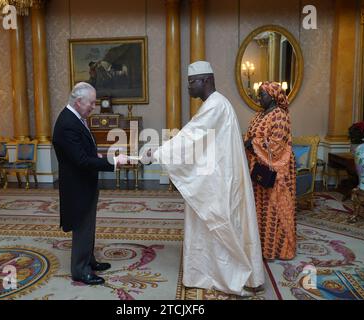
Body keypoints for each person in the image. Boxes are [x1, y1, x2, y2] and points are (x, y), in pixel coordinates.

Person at [144, 61, 264, 296]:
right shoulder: (215, 104)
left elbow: (190, 138)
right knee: (208, 224)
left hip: (219, 181)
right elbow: (196, 140)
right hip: (214, 177)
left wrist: (156, 152)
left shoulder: (215, 105)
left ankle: (229, 275)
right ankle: (205, 271)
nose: (189, 87)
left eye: (192, 82)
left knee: (217, 222)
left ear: (206, 81)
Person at [52, 82, 128, 286]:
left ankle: (89, 260)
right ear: (78, 102)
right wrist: (112, 162)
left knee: (89, 225)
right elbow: (81, 161)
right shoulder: (67, 123)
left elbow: (83, 152)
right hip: (77, 185)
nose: (94, 107)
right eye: (91, 103)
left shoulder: (76, 118)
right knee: (82, 226)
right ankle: (80, 270)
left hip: (84, 181)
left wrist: (95, 153)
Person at [244, 81, 296, 260]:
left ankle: (276, 249)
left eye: (262, 94)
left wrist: (254, 143)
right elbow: (250, 134)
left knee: (274, 208)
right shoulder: (259, 114)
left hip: (275, 170)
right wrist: (248, 142)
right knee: (259, 207)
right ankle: (260, 247)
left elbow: (277, 144)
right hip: (258, 167)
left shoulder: (280, 115)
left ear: (273, 96)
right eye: (259, 94)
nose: (259, 98)